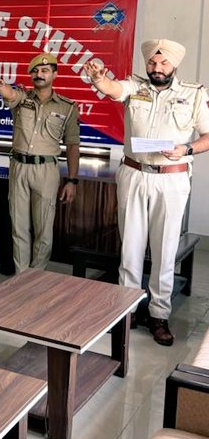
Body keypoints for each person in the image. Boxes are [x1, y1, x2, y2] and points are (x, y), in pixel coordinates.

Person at [85, 39, 209, 346]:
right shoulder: (135, 87)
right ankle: (125, 312)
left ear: (174, 65)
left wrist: (186, 148)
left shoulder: (193, 93)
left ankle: (158, 315)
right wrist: (99, 78)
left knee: (165, 250)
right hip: (134, 174)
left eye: (163, 64)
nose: (156, 69)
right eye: (152, 63)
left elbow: (207, 136)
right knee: (130, 249)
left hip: (172, 178)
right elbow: (114, 89)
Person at [0, 54, 80, 273]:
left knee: (43, 230)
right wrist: (2, 86)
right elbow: (9, 94)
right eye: (35, 71)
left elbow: (73, 145)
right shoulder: (21, 98)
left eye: (45, 71)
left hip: (46, 170)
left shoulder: (67, 107)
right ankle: (21, 278)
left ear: (54, 75)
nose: (39, 75)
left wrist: (73, 180)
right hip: (19, 167)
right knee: (19, 227)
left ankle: (36, 277)